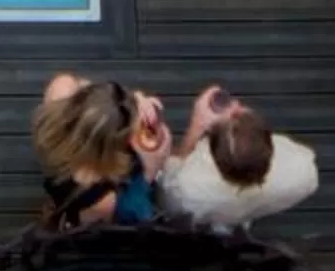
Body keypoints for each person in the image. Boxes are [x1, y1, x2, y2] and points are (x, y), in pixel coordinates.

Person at [157, 85, 317, 229]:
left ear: (214, 154)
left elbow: (169, 194)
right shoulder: (302, 169)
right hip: (253, 206)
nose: (235, 105)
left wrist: (196, 126)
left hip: (206, 206)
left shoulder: (187, 190)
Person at [33, 74, 164, 226]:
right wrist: (150, 171)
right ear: (114, 148)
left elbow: (83, 90)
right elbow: (141, 220)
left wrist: (134, 101)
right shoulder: (102, 202)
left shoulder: (55, 118)